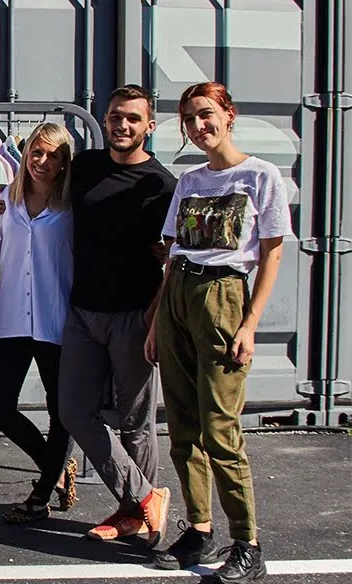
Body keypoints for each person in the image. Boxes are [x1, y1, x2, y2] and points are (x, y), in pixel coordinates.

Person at [0, 85, 174, 545]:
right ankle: (146, 495)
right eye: (116, 116)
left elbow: (171, 256)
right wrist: (4, 194)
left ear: (149, 125)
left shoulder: (162, 185)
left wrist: (154, 317)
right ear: (105, 119)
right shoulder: (87, 168)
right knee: (75, 412)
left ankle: (132, 511)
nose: (123, 125)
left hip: (133, 315)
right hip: (81, 314)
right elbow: (40, 190)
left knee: (135, 421)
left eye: (133, 118)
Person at [145, 82, 290, 583]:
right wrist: (156, 318)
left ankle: (247, 542)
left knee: (221, 429)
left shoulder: (261, 176)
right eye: (188, 119)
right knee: (183, 425)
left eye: (206, 114)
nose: (198, 125)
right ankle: (201, 527)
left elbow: (272, 252)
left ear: (229, 115)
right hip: (179, 295)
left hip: (224, 296)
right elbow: (175, 253)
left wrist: (249, 324)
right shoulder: (189, 181)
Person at [0, 122, 77, 523]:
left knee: (60, 412)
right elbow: (2, 248)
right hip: (12, 318)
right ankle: (56, 466)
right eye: (36, 152)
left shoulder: (71, 206)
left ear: (64, 161)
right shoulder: (8, 200)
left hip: (55, 320)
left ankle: (41, 494)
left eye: (51, 155)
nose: (41, 161)